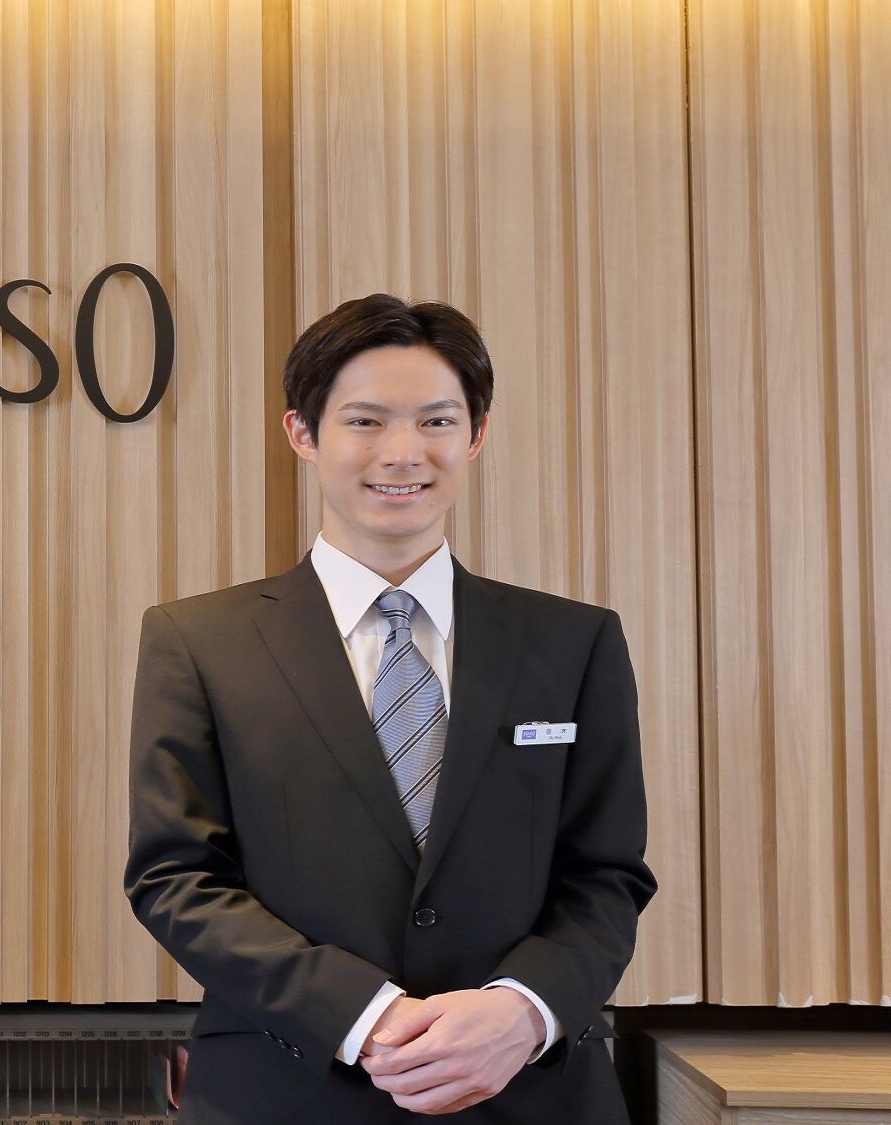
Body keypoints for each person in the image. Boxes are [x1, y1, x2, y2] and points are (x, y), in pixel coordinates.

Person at [124, 295, 655, 1121]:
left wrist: (523, 1009)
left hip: (532, 1088)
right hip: (287, 1088)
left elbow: (607, 874)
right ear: (303, 433)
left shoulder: (574, 641)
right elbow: (176, 877)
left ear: (476, 435)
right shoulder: (199, 642)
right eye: (365, 421)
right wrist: (363, 1014)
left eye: (437, 421)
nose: (403, 453)